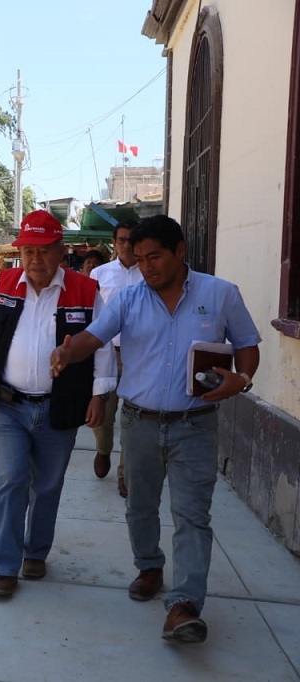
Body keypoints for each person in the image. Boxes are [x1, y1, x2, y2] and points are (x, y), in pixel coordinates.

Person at [50, 214, 260, 644]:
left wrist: (242, 379)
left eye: (155, 257)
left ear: (180, 252)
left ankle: (183, 605)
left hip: (195, 425)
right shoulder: (128, 300)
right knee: (140, 507)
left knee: (192, 516)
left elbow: (247, 347)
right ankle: (149, 567)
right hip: (140, 423)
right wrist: (70, 352)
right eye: (139, 258)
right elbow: (95, 337)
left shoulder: (221, 295)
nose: (146, 267)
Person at [0, 209, 116, 598]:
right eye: (28, 251)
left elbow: (100, 349)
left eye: (43, 251)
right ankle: (4, 565)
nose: (35, 260)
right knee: (10, 481)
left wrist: (99, 394)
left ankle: (36, 551)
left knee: (47, 485)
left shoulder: (85, 291)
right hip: (9, 405)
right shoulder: (6, 284)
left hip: (59, 406)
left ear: (59, 251)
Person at [88, 220, 142, 498]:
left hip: (139, 355)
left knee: (133, 417)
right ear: (114, 242)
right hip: (107, 353)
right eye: (121, 240)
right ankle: (102, 450)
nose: (126, 245)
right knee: (103, 414)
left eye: (131, 240)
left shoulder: (149, 273)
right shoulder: (99, 274)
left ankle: (125, 474)